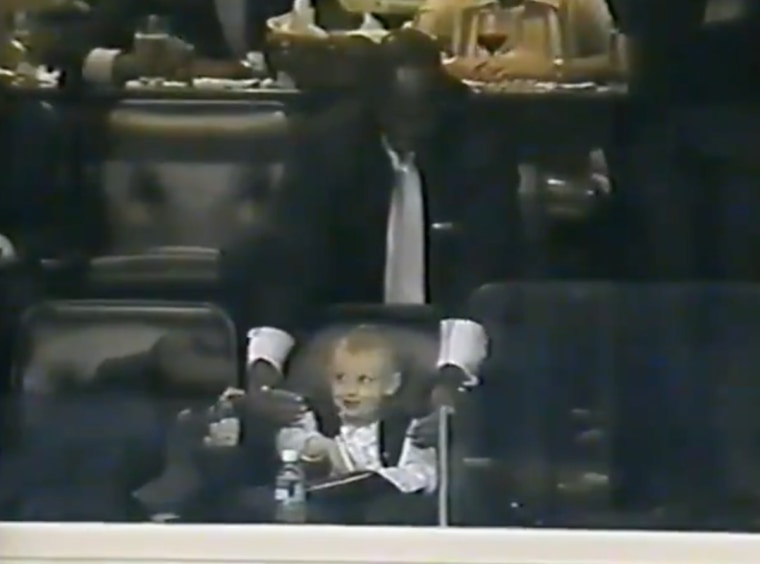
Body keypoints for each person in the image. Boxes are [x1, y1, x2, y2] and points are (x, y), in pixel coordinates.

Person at [225, 29, 522, 448]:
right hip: (343, 321)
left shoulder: (480, 147)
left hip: (443, 326)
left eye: (422, 116)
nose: (410, 130)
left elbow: (483, 268)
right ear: (374, 107)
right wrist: (263, 372)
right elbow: (290, 260)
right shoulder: (326, 145)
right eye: (398, 116)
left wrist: (452, 377)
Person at [275, 325, 436, 524]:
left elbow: (422, 474)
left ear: (391, 385)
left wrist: (375, 480)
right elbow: (289, 439)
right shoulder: (317, 416)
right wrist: (317, 446)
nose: (350, 390)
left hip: (377, 507)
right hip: (324, 504)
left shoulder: (406, 427)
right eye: (340, 379)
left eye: (364, 381)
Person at [34, 0, 295, 84]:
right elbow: (59, 44)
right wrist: (129, 65)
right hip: (169, 124)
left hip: (290, 121)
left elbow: (326, 42)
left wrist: (244, 68)